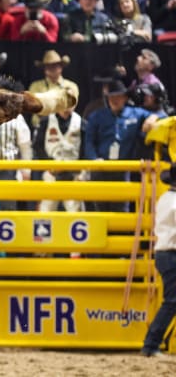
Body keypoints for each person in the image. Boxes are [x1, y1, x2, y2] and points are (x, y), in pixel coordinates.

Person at [83, 80, 159, 212]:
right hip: (101, 168)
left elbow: (157, 115)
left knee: (121, 207)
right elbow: (89, 141)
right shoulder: (96, 116)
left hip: (122, 170)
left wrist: (152, 119)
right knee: (100, 208)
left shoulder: (136, 113)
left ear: (125, 97)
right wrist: (94, 159)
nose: (114, 100)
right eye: (111, 96)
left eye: (118, 96)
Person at [141, 163, 176, 357]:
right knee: (172, 301)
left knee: (172, 300)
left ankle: (152, 342)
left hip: (165, 252)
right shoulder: (174, 202)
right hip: (171, 253)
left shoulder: (166, 199)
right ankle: (151, 342)